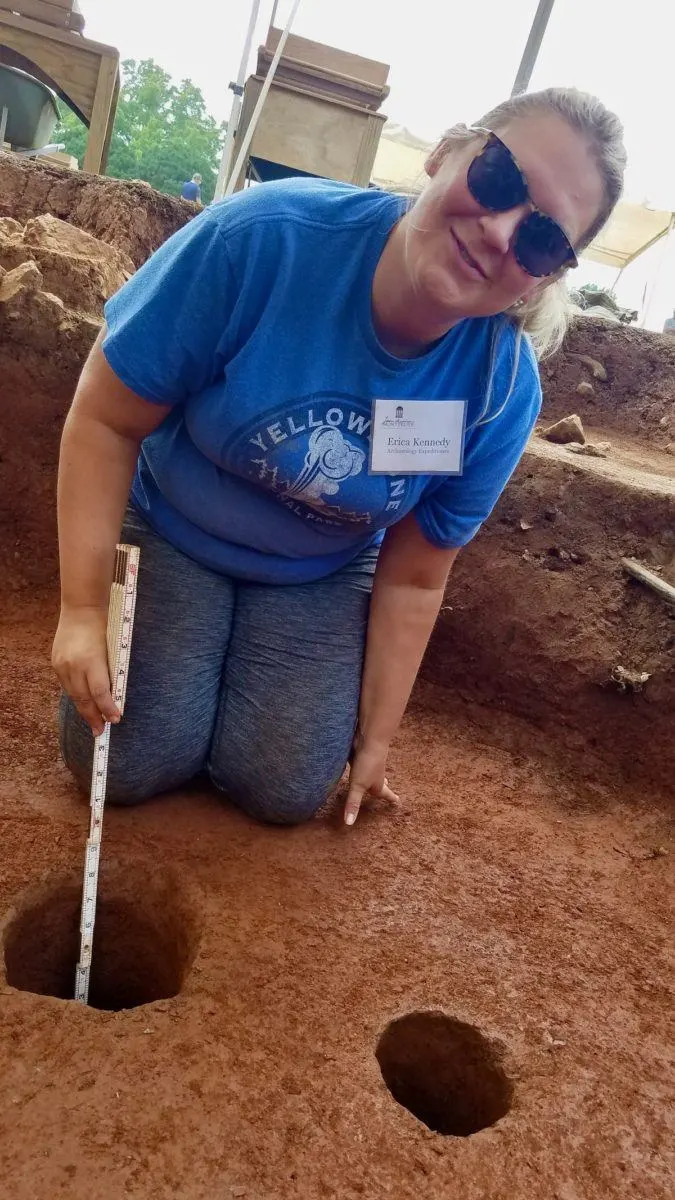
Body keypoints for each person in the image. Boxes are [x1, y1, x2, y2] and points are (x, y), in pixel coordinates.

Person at [53, 87, 626, 827]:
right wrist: (81, 610)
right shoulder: (261, 240)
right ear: (447, 152)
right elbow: (105, 419)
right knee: (125, 760)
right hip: (176, 522)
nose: (497, 231)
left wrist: (375, 740)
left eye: (542, 239)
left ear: (546, 275)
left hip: (318, 570)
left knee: (283, 787)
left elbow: (417, 575)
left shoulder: (498, 391)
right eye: (499, 179)